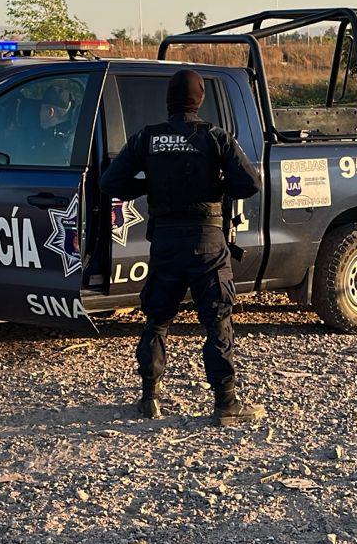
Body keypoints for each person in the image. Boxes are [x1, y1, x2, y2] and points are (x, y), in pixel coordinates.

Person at [99, 69, 266, 425]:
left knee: (157, 320)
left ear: (168, 101)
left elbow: (110, 182)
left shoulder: (147, 138)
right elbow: (250, 183)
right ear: (200, 99)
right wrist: (218, 185)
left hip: (166, 243)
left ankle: (149, 397)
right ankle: (226, 403)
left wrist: (150, 185)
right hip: (207, 242)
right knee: (217, 321)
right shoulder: (215, 137)